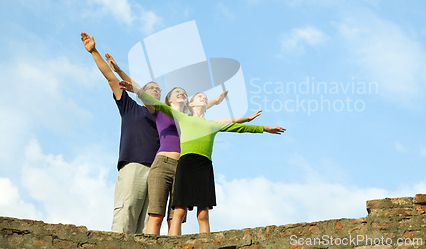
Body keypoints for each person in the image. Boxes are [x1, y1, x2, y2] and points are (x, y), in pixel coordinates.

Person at [105, 54, 259, 235]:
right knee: (156, 215)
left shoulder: (189, 118)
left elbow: (202, 109)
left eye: (184, 94)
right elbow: (139, 91)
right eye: (176, 92)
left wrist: (216, 102)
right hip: (162, 163)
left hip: (183, 168)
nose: (181, 94)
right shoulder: (161, 112)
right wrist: (119, 71)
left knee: (175, 216)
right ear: (168, 100)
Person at [119, 80, 286, 236]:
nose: (203, 99)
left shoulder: (211, 124)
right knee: (175, 211)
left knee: (200, 213)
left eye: (205, 98)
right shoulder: (182, 117)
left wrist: (263, 127)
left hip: (204, 167)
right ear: (190, 104)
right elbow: (157, 104)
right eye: (200, 97)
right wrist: (137, 90)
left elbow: (235, 126)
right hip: (183, 165)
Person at [80, 32, 160, 234]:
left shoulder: (163, 117)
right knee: (125, 220)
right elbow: (110, 78)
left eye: (158, 90)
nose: (155, 91)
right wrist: (94, 52)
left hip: (158, 173)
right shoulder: (130, 108)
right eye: (151, 89)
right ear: (140, 92)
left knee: (147, 229)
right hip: (133, 166)